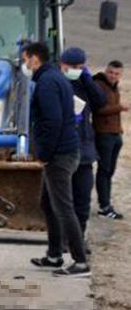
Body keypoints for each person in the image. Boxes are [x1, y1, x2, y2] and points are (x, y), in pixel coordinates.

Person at [24, 42, 89, 277]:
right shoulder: (54, 77)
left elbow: (53, 121)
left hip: (59, 155)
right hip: (62, 151)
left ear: (34, 59)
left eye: (25, 59)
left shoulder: (47, 83)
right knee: (48, 203)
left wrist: (44, 154)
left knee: (63, 208)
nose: (24, 64)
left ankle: (80, 261)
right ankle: (54, 255)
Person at [59, 47, 106, 252]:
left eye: (80, 66)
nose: (76, 70)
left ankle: (78, 239)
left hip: (84, 151)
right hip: (62, 151)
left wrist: (86, 78)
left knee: (82, 201)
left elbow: (100, 102)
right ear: (63, 64)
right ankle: (61, 241)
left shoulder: (85, 84)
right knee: (62, 201)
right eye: (73, 67)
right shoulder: (55, 82)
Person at [93, 60, 127, 220]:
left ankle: (106, 204)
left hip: (115, 134)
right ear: (106, 71)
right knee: (104, 171)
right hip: (103, 134)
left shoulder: (114, 86)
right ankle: (105, 206)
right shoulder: (99, 85)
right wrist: (121, 107)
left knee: (109, 171)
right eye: (111, 73)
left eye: (117, 74)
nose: (113, 76)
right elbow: (98, 110)